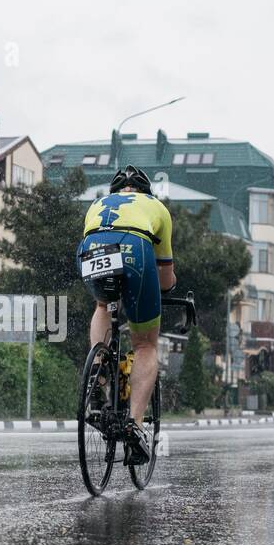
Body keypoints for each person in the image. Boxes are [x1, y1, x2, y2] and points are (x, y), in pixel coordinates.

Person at [77, 165, 175, 466]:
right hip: (136, 248)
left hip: (92, 247)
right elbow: (164, 277)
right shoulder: (156, 207)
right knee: (145, 344)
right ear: (145, 191)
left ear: (115, 191)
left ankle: (99, 365)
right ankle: (134, 424)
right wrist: (166, 288)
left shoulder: (97, 205)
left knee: (103, 304)